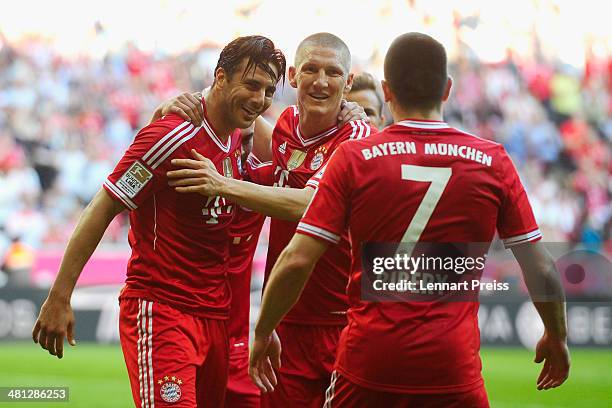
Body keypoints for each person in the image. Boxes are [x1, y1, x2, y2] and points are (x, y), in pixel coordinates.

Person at [250, 32, 570, 407]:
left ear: (385, 92)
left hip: (369, 362)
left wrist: (263, 330)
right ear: (448, 89)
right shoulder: (492, 161)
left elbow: (297, 259)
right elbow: (541, 267)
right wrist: (556, 335)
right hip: (454, 367)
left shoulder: (354, 158)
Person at [32, 35, 286, 407]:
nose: (259, 99)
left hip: (214, 317)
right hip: (163, 309)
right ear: (220, 78)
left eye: (267, 90)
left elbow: (291, 147)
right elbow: (104, 205)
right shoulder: (170, 135)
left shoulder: (235, 135)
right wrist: (59, 296)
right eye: (251, 85)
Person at [165, 32, 375, 407]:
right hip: (286, 322)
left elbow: (311, 204)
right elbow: (231, 114)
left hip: (345, 322)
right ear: (293, 76)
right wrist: (178, 103)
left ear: (348, 82)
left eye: (333, 73)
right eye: (311, 69)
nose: (321, 81)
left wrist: (222, 185)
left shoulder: (356, 135)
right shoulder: (284, 127)